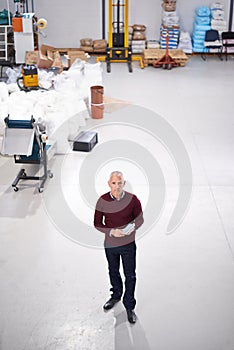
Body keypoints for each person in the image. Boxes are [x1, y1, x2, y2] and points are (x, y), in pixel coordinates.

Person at [94, 171, 144, 324]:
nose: (117, 186)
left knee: (130, 275)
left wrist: (130, 229)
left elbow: (140, 219)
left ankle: (129, 306)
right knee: (113, 271)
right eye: (114, 183)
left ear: (124, 183)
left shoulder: (133, 200)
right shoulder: (102, 200)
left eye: (120, 183)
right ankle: (116, 295)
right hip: (110, 244)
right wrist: (111, 231)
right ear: (109, 184)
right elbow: (97, 223)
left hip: (128, 245)